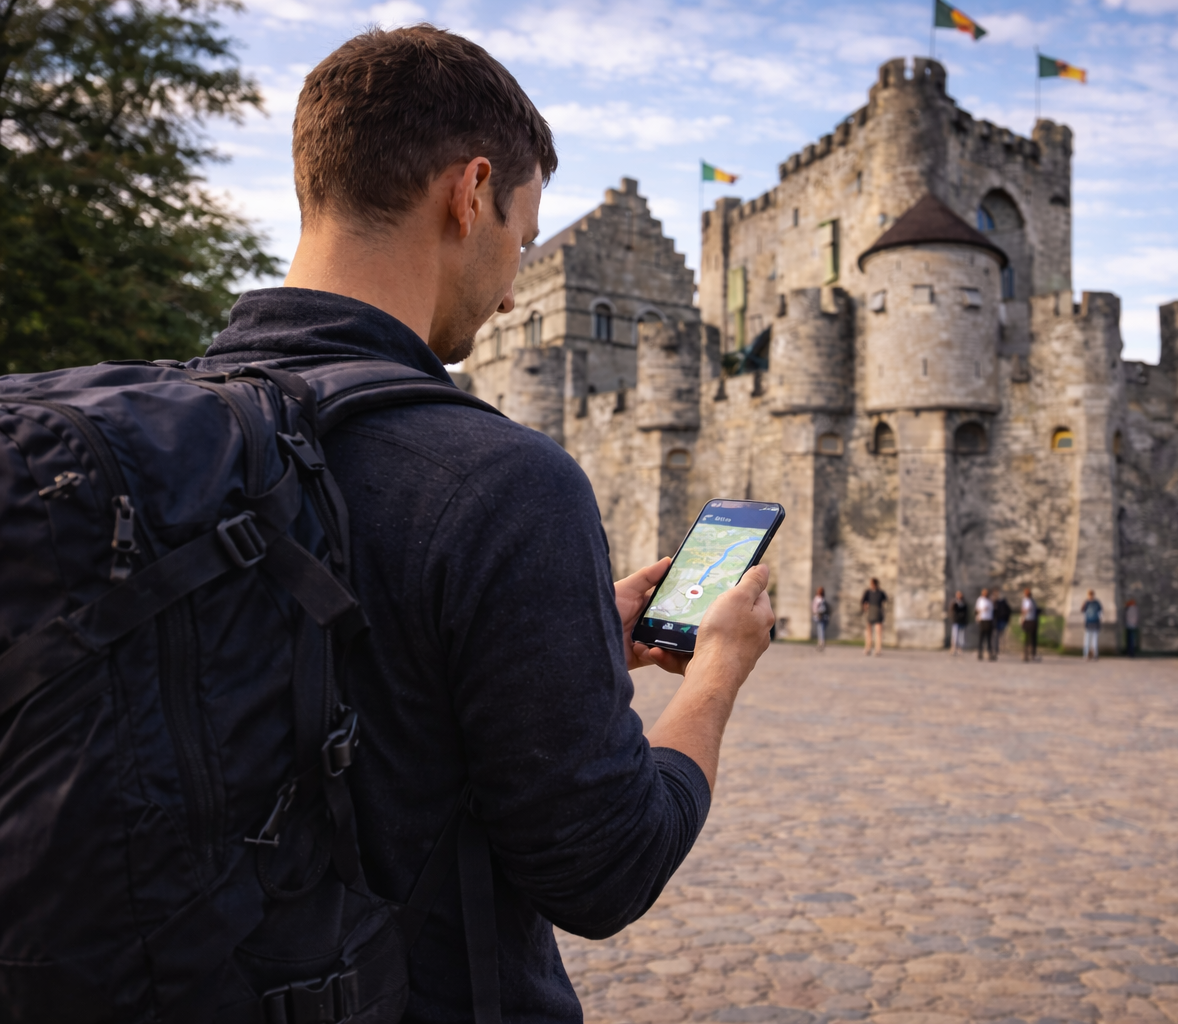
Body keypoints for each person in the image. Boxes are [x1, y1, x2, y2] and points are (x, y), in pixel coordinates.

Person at [196, 26, 776, 1021]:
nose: (512, 294)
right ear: (470, 195)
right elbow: (606, 867)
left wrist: (553, 637)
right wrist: (716, 671)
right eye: (521, 237)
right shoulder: (504, 483)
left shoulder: (170, 437)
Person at [862, 578, 888, 656]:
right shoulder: (868, 592)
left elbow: (885, 602)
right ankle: (868, 648)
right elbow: (864, 602)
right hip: (870, 612)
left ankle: (878, 649)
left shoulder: (881, 593)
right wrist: (865, 608)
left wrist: (883, 611)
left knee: (878, 632)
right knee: (868, 632)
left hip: (878, 613)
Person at [1082, 589, 1104, 661]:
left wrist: (1100, 619)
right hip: (1092, 623)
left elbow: (1100, 612)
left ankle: (1092, 655)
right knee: (1090, 640)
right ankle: (1089, 654)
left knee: (1092, 640)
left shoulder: (1093, 602)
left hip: (1092, 622)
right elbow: (1084, 613)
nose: (1090, 596)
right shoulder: (1090, 602)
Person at [974, 588, 995, 661]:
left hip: (989, 620)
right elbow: (977, 610)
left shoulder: (990, 600)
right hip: (982, 620)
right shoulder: (980, 600)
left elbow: (992, 609)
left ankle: (989, 653)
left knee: (989, 638)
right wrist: (982, 610)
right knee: (981, 637)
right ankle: (980, 653)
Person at [1021, 587, 1040, 662]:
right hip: (1033, 621)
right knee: (1032, 638)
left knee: (1028, 638)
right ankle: (1031, 654)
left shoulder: (1027, 601)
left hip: (1028, 621)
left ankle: (1027, 654)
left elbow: (1026, 609)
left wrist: (1022, 617)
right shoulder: (1032, 601)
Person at [992, 592, 1012, 661]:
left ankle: (997, 648)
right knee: (1002, 635)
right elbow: (1009, 611)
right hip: (1003, 620)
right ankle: (1002, 648)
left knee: (997, 635)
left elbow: (994, 612)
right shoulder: (1005, 603)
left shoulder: (996, 603)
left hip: (998, 620)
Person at [949, 590, 967, 655]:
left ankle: (959, 648)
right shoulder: (955, 603)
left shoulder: (963, 603)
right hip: (956, 621)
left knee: (961, 636)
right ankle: (953, 648)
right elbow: (952, 611)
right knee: (955, 635)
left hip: (962, 621)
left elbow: (965, 612)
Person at [812, 587, 830, 651]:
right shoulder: (819, 599)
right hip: (820, 616)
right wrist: (817, 613)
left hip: (822, 616)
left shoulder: (820, 599)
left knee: (821, 629)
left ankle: (821, 642)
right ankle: (821, 642)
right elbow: (816, 608)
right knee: (821, 629)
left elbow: (815, 608)